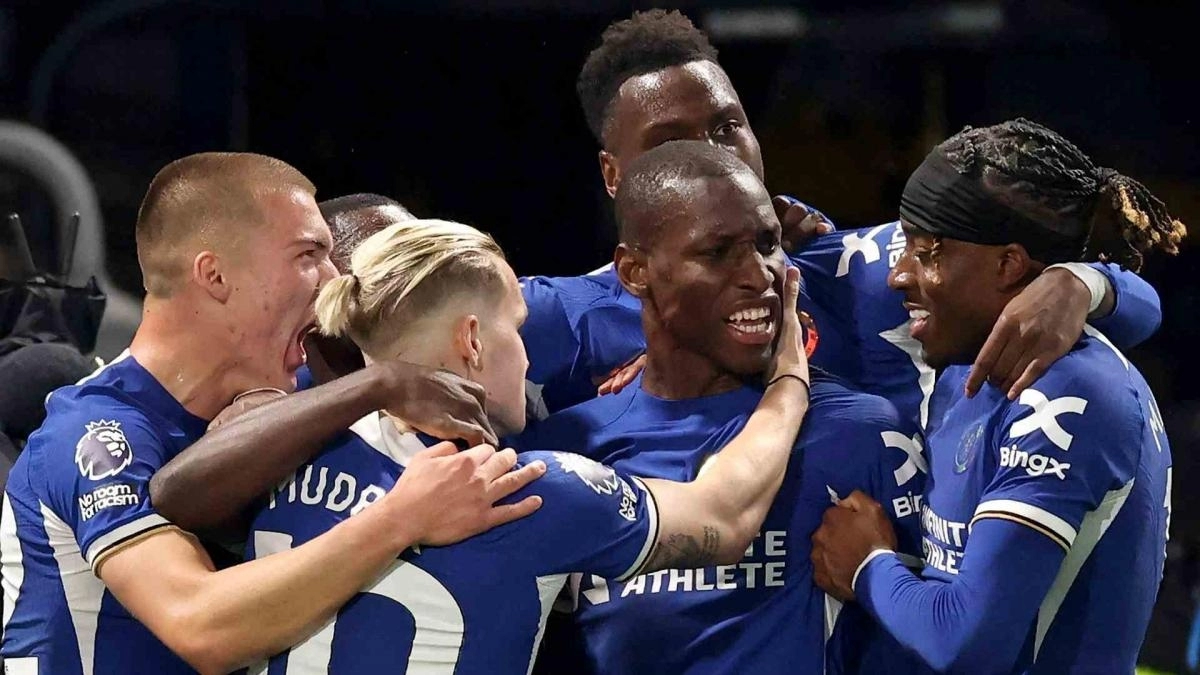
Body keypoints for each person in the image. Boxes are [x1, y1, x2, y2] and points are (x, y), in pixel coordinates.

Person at [0, 153, 543, 675]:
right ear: (214, 277)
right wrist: (403, 516)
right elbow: (200, 626)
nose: (334, 281)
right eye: (308, 255)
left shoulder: (277, 409)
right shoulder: (97, 434)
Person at [521, 9, 1162, 428]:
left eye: (727, 127)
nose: (713, 157)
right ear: (613, 175)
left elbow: (1142, 309)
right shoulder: (557, 316)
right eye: (670, 142)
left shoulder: (858, 267)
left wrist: (1081, 285)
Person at [247, 216, 813, 673]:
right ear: (471, 339)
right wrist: (789, 378)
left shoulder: (280, 454)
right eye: (516, 329)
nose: (525, 356)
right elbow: (727, 515)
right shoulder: (528, 491)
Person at [518, 140, 925, 674]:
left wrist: (1075, 280)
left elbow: (926, 641)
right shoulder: (563, 454)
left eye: (768, 244)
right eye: (717, 252)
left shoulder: (863, 433)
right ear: (635, 272)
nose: (759, 275)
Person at [810, 118, 1186, 673]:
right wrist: (1089, 282)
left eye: (925, 251)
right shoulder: (963, 350)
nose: (897, 274)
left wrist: (868, 565)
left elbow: (967, 646)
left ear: (1009, 264)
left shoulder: (1070, 394)